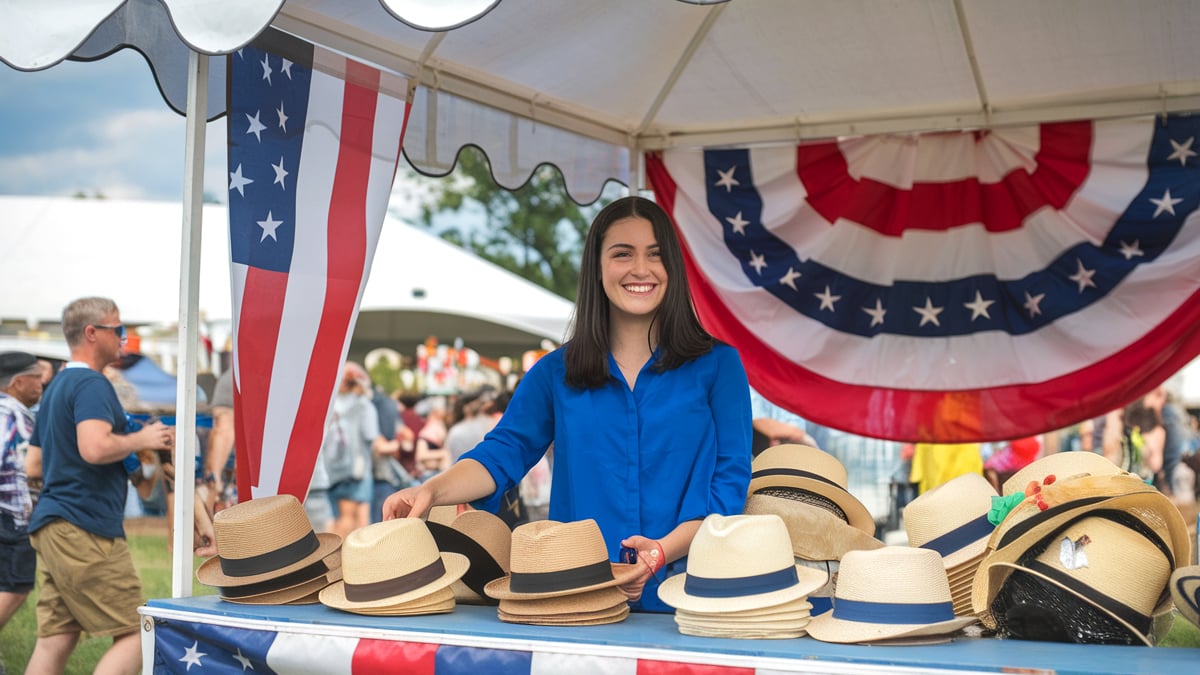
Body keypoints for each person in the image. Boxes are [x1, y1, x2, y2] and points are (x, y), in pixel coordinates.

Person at [383, 196, 753, 613]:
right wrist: (431, 490)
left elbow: (730, 481)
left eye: (656, 254)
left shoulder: (720, 366)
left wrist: (662, 552)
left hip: (690, 598)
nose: (641, 269)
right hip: (577, 600)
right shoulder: (553, 373)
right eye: (622, 254)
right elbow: (502, 453)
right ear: (596, 267)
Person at [25, 297, 175, 675]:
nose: (124, 337)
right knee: (135, 631)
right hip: (85, 527)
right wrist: (143, 441)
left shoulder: (57, 386)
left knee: (57, 637)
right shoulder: (92, 384)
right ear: (92, 333)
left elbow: (34, 464)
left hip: (54, 524)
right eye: (117, 328)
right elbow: (94, 447)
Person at [0, 352, 45, 647]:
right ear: (18, 382)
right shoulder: (13, 413)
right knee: (15, 587)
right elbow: (16, 464)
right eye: (37, 378)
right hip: (10, 515)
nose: (41, 385)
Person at [322, 362, 379, 538]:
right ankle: (343, 560)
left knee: (344, 517)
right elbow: (371, 435)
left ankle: (339, 557)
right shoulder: (363, 406)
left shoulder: (331, 405)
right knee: (351, 519)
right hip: (357, 468)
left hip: (332, 468)